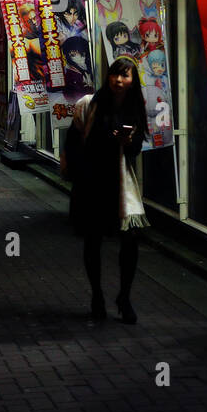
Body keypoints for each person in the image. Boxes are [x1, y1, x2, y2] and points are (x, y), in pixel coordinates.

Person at [61, 57, 149, 324]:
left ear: (133, 81)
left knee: (131, 239)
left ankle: (124, 296)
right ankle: (97, 296)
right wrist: (75, 171)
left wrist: (129, 141)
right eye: (115, 75)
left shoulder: (136, 108)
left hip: (121, 181)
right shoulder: (90, 104)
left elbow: (135, 151)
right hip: (92, 180)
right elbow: (74, 141)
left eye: (125, 76)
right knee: (93, 239)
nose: (118, 80)